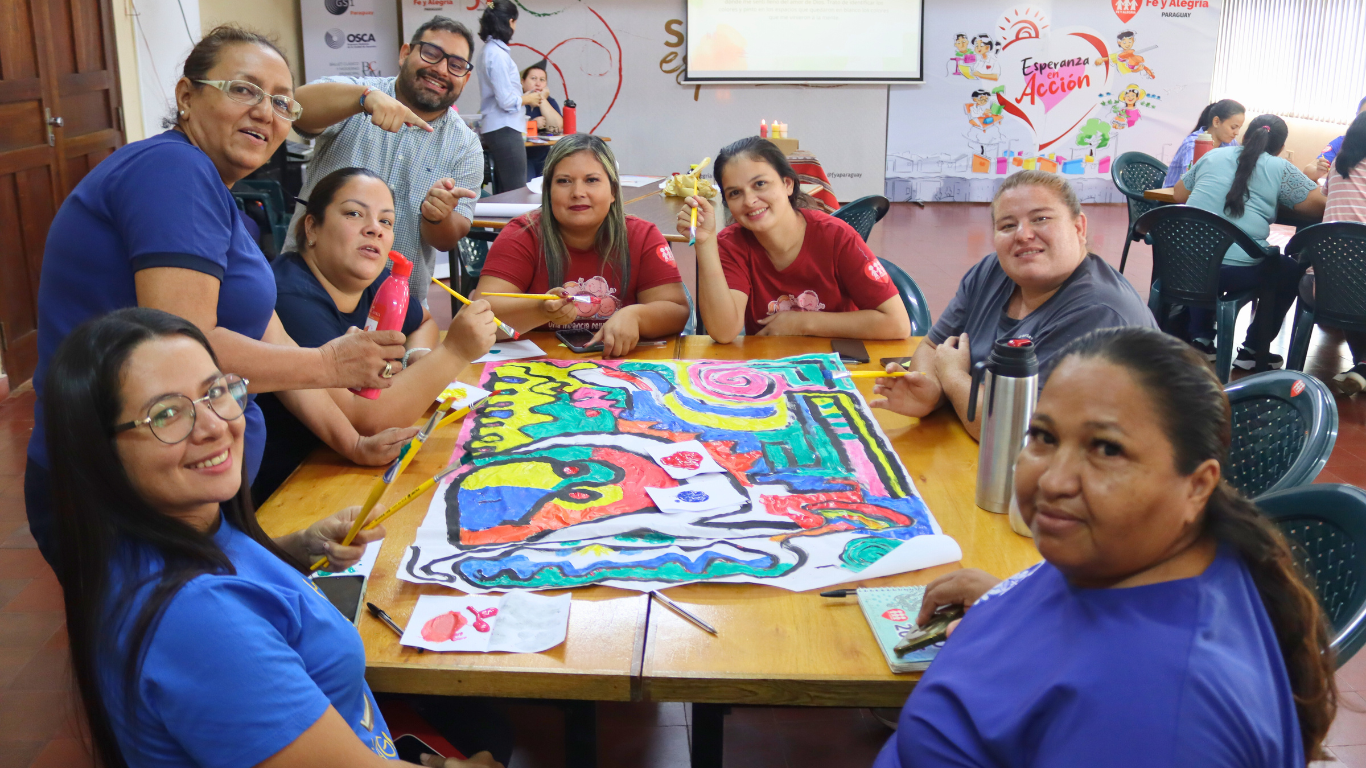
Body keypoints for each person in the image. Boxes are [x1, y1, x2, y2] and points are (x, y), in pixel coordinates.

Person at [45, 308, 502, 768]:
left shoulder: (176, 530)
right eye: (166, 414)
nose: (214, 425)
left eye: (216, 392)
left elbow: (232, 576)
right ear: (99, 449)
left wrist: (301, 546)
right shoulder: (200, 625)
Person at [27, 26, 413, 570]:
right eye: (243, 89)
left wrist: (351, 442)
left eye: (281, 102)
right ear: (187, 96)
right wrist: (329, 363)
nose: (265, 112)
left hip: (191, 488)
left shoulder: (215, 196)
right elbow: (183, 349)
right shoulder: (172, 171)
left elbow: (270, 336)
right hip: (121, 485)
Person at [873, 326, 1335, 767]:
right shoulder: (1118, 553)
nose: (1053, 480)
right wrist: (1009, 604)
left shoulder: (1159, 715)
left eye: (1108, 450)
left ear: (1197, 486)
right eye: (1044, 437)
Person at [254, 168, 497, 502]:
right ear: (311, 227)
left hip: (341, 469)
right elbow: (365, 420)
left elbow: (424, 322)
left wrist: (414, 358)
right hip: (289, 487)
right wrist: (453, 352)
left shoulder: (377, 282)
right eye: (354, 214)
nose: (374, 229)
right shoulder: (290, 297)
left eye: (386, 221)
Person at [868, 170, 1154, 440]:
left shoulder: (1098, 312)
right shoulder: (992, 271)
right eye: (1007, 225)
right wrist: (932, 392)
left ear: (1079, 227)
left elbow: (1015, 433)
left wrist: (952, 378)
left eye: (1041, 219)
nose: (1023, 234)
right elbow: (933, 347)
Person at [289, 16, 483, 303]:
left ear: (465, 79)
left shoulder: (465, 145)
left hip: (397, 302)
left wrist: (437, 216)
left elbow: (447, 240)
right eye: (431, 53)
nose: (441, 69)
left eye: (456, 65)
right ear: (405, 53)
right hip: (308, 291)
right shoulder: (359, 94)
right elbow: (297, 110)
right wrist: (363, 99)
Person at [679, 136, 911, 344]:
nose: (749, 201)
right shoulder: (731, 245)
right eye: (735, 193)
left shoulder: (836, 237)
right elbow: (723, 332)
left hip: (840, 365)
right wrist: (705, 244)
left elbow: (898, 323)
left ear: (787, 184)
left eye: (760, 184)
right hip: (770, 367)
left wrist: (801, 323)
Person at [475, 134, 689, 356]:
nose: (578, 193)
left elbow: (677, 313)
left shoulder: (643, 236)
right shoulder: (521, 235)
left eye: (592, 180)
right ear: (548, 191)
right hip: (537, 366)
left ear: (613, 191)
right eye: (564, 181)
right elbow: (481, 315)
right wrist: (540, 310)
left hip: (619, 365)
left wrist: (636, 316)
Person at [1173, 114, 1327, 368]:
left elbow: (1180, 194)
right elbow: (1318, 206)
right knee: (1289, 269)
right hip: (1236, 273)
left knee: (1205, 250)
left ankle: (1201, 337)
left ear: (1245, 136)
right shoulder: (1280, 168)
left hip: (1184, 267)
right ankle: (1254, 350)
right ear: (1280, 147)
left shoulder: (1212, 155)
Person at [1303, 109, 1366, 394]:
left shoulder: (1339, 164)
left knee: (1352, 280)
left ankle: (1362, 364)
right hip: (1357, 290)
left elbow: (1326, 196)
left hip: (1322, 287)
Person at [478, 0, 540, 193]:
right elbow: (506, 101)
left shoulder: (490, 51)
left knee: (506, 192)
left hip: (500, 127)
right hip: (504, 127)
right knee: (517, 190)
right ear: (510, 22)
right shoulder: (497, 54)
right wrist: (529, 99)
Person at [1163, 99, 1245, 187]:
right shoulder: (1193, 144)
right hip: (1174, 194)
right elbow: (1192, 179)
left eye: (1239, 128)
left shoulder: (1230, 143)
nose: (1237, 133)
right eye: (1233, 127)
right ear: (1216, 122)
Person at [1303, 96, 1366, 184]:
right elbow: (1308, 171)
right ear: (1356, 116)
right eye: (1363, 115)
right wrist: (1318, 171)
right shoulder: (1342, 142)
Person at [522, 60, 562, 181]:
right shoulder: (517, 100)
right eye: (533, 78)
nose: (538, 84)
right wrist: (532, 124)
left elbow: (558, 127)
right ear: (522, 82)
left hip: (543, 156)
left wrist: (542, 99)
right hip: (521, 156)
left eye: (542, 80)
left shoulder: (549, 101)